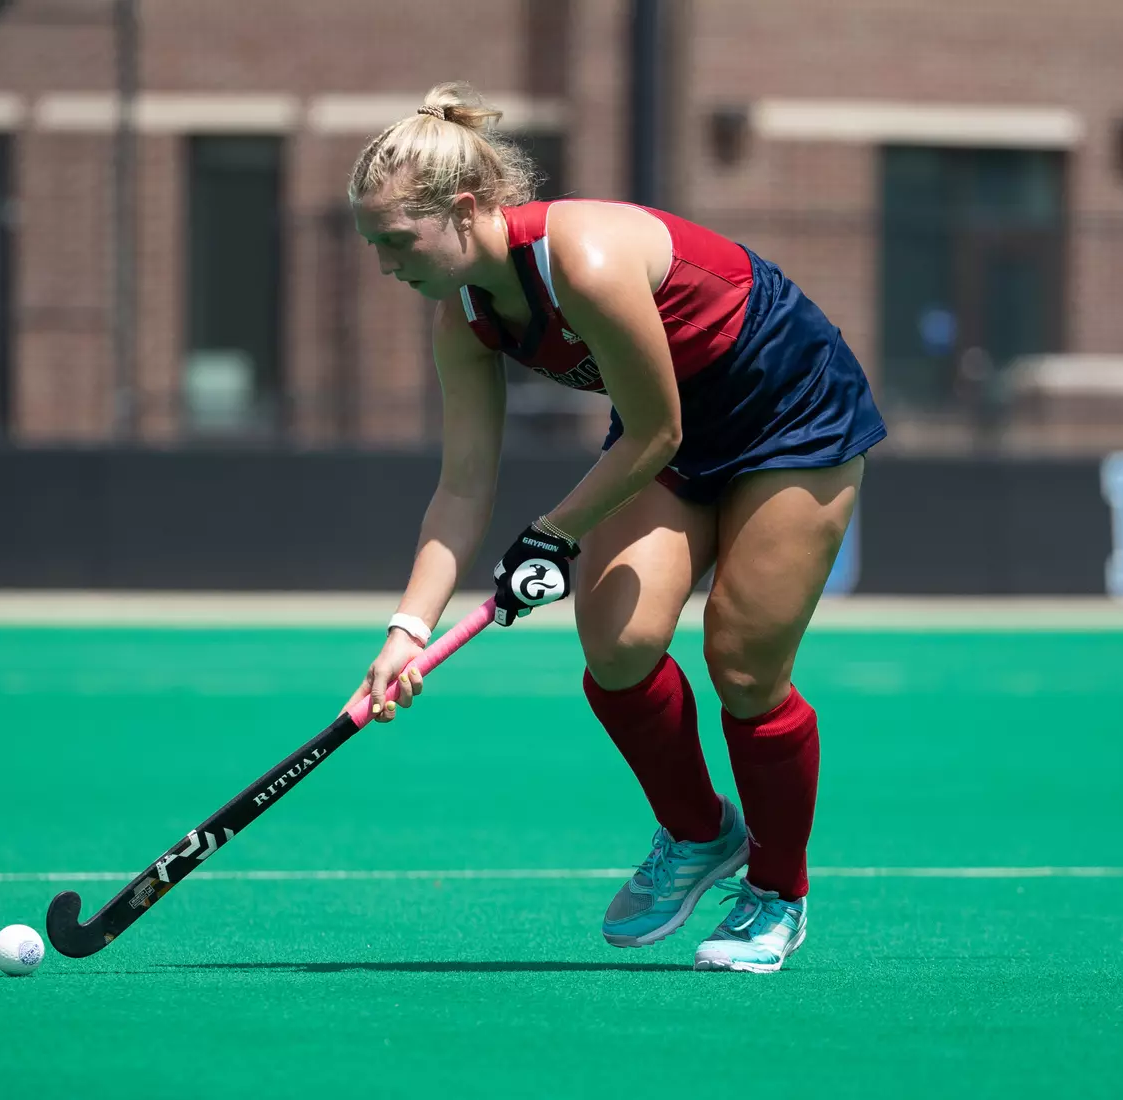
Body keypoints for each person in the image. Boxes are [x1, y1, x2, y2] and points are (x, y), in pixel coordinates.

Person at [344, 82, 885, 973]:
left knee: (743, 665)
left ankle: (777, 893)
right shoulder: (465, 319)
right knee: (618, 641)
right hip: (666, 428)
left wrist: (553, 533)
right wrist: (408, 630)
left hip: (790, 412)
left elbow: (657, 430)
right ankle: (699, 832)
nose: (386, 265)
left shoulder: (582, 259)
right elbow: (462, 487)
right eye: (374, 246)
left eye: (396, 241)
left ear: (466, 210)